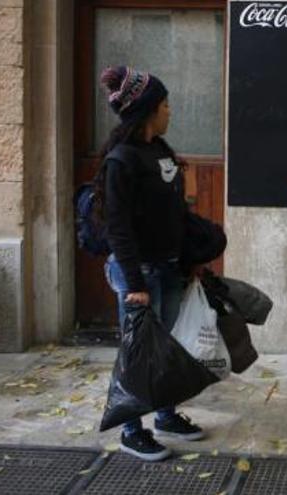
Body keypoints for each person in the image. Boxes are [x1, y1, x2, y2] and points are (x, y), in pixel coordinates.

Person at [96, 65, 205, 461]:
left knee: (166, 348)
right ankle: (130, 430)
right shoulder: (121, 160)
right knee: (138, 353)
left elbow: (176, 214)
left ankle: (165, 415)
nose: (170, 111)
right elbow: (118, 229)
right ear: (146, 111)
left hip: (169, 266)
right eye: (164, 104)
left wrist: (191, 259)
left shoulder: (159, 151)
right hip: (138, 273)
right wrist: (134, 282)